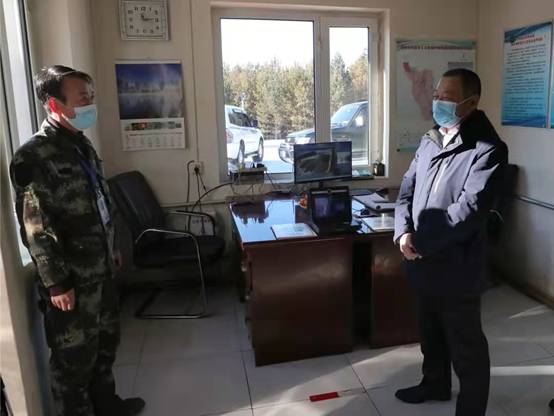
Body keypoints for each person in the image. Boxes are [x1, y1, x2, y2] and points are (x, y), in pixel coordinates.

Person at [9, 65, 145, 416]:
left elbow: (99, 202)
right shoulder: (33, 157)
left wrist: (112, 247)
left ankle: (107, 405)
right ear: (55, 104)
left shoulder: (80, 144)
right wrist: (57, 283)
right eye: (83, 98)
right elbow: (36, 227)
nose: (90, 104)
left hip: (100, 267)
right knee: (73, 359)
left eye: (91, 96)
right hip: (71, 280)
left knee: (105, 345)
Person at [393, 68, 508, 416]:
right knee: (430, 334)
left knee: (466, 347)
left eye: (447, 97)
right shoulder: (431, 139)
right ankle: (434, 384)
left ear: (471, 102)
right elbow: (407, 189)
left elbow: (468, 211)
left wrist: (420, 243)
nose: (438, 101)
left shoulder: (487, 149)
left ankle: (470, 409)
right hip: (421, 260)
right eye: (437, 94)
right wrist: (403, 231)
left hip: (458, 267)